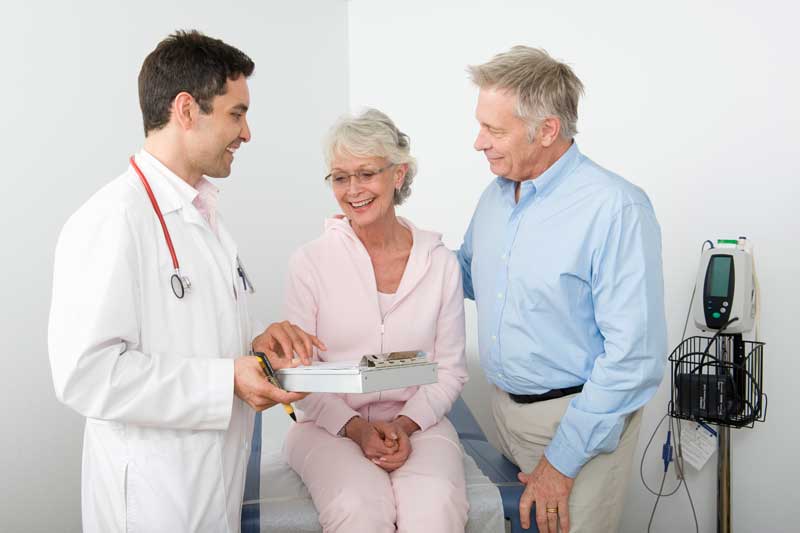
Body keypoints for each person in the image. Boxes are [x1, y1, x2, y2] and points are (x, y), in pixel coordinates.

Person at [48, 30, 322, 533]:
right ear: (187, 109)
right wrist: (226, 381)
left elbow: (197, 323)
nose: (247, 133)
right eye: (236, 113)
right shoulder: (112, 219)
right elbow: (86, 374)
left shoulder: (203, 213)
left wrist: (258, 340)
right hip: (154, 498)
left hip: (212, 486)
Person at [457, 46, 667, 533]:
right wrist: (389, 244)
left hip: (578, 430)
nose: (478, 142)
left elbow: (634, 358)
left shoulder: (615, 209)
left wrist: (561, 461)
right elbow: (467, 276)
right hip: (506, 414)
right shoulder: (495, 195)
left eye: (494, 129)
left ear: (547, 129)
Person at [282, 109, 470, 532]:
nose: (353, 190)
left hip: (419, 421)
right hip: (328, 427)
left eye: (366, 173)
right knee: (357, 506)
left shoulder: (439, 263)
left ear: (398, 175)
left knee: (435, 508)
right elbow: (298, 376)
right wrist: (356, 429)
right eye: (340, 177)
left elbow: (450, 370)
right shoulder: (310, 262)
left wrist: (404, 424)